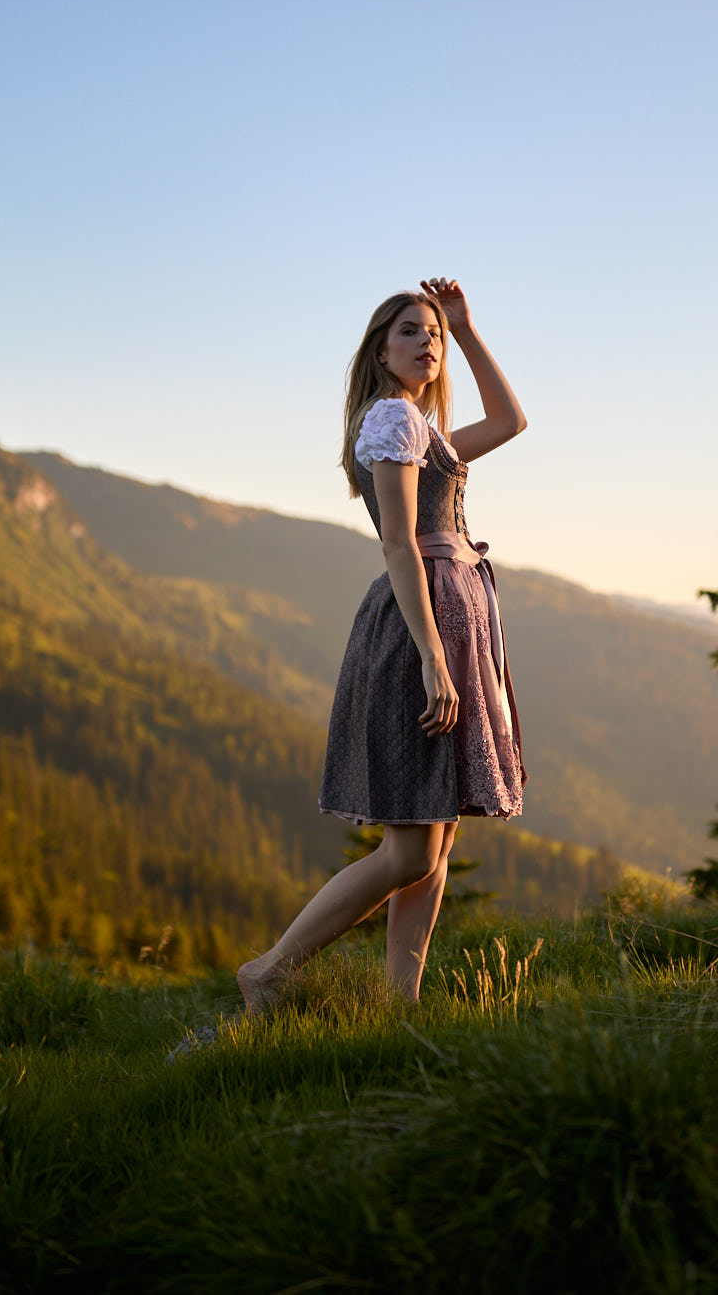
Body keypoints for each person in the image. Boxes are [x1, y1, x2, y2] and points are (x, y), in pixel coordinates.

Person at [236, 278, 528, 1013]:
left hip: (450, 629)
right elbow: (399, 543)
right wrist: (432, 656)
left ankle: (401, 1009)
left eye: (432, 332)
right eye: (411, 330)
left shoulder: (424, 431)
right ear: (379, 349)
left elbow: (511, 419)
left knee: (435, 850)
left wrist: (465, 328)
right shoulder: (393, 420)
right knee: (407, 852)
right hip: (415, 631)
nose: (426, 340)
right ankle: (269, 969)